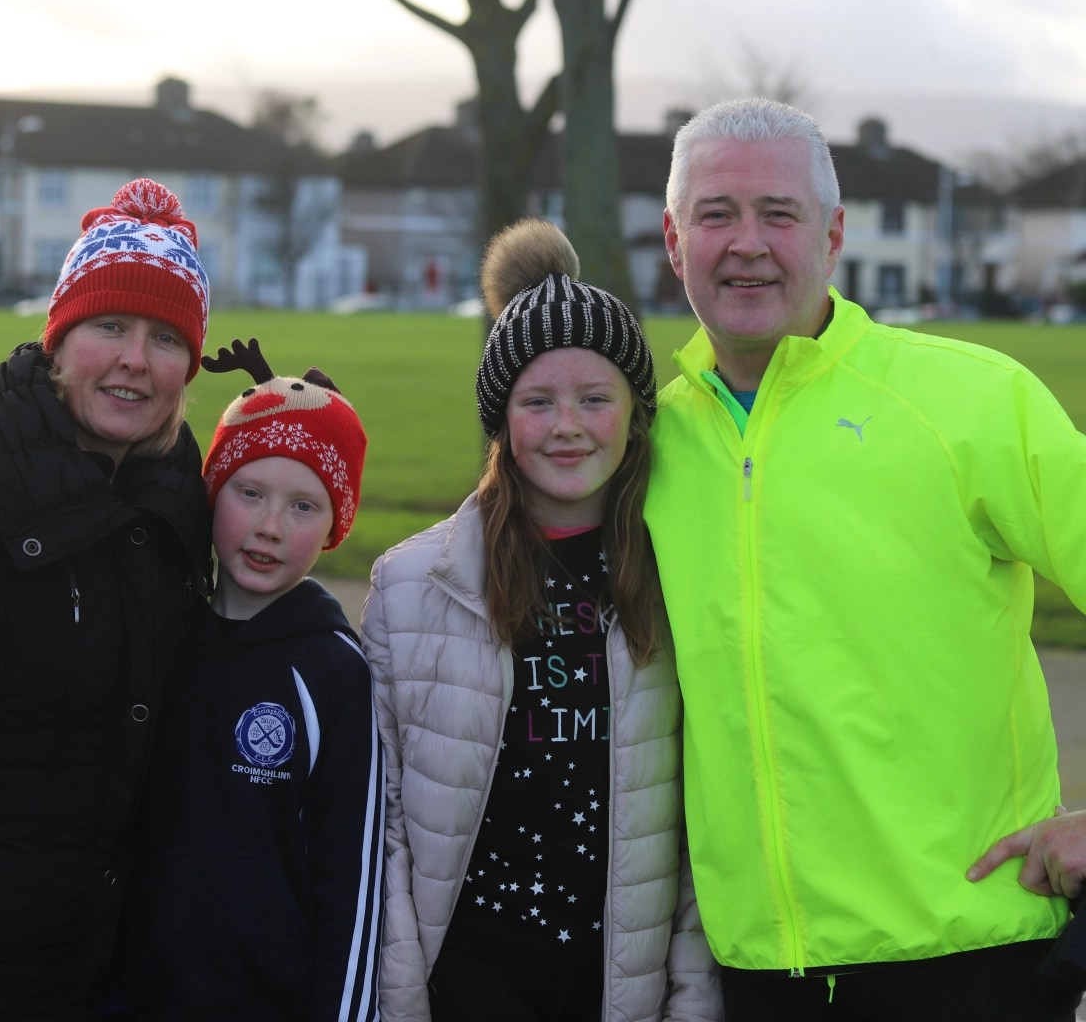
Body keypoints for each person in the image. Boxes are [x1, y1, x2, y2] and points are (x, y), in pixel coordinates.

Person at [643, 96, 1086, 1021]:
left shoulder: (970, 401)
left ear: (834, 235)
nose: (748, 244)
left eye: (779, 214)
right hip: (757, 977)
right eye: (717, 215)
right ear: (676, 242)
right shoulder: (647, 446)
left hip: (970, 962)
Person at [361, 218, 720, 1022]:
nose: (567, 426)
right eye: (537, 402)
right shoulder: (410, 588)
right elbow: (386, 830)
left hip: (614, 990)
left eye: (595, 399)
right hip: (466, 986)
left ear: (635, 415)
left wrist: (690, 1001)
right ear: (501, 421)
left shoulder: (684, 581)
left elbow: (706, 830)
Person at [0, 178, 213, 1019]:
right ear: (60, 341)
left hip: (119, 965)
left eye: (165, 338)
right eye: (110, 326)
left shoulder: (183, 498)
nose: (135, 360)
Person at [115, 338, 384, 1021]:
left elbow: (353, 886)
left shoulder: (335, 673)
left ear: (336, 523)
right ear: (213, 491)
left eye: (303, 506)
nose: (268, 527)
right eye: (250, 492)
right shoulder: (159, 639)